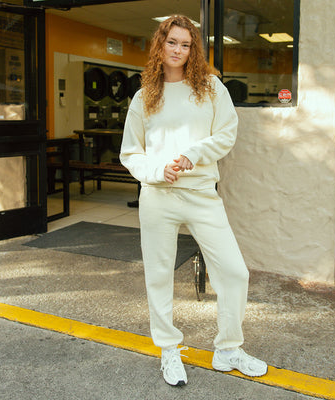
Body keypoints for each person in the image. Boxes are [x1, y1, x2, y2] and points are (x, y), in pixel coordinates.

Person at [120, 14, 267, 386]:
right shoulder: (143, 96)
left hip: (202, 194)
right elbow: (130, 153)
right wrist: (157, 170)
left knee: (234, 272)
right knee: (158, 276)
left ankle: (228, 349)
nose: (178, 50)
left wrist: (194, 153)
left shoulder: (211, 87)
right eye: (172, 42)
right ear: (161, 44)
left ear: (193, 50)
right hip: (158, 196)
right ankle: (169, 350)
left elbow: (226, 133)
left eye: (185, 45)